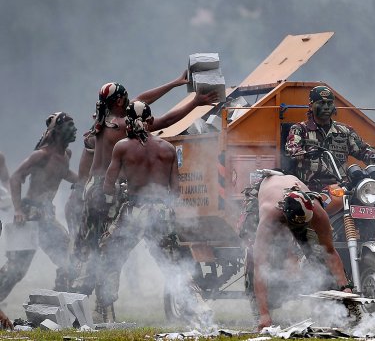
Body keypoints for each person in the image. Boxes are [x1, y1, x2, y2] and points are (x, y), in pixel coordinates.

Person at [70, 73, 218, 320]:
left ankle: (100, 308)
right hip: (123, 201)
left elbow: (140, 103)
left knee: (107, 252)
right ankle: (195, 306)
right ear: (118, 102)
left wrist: (175, 84)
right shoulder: (154, 143)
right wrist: (194, 102)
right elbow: (161, 119)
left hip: (121, 200)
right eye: (124, 96)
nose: (129, 97)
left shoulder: (111, 124)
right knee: (166, 259)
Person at [95, 101, 211, 323]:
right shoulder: (168, 148)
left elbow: (108, 186)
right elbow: (176, 191)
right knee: (176, 263)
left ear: (127, 122)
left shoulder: (122, 147)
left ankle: (106, 314)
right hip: (161, 212)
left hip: (135, 210)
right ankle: (199, 307)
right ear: (150, 121)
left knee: (109, 256)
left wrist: (120, 191)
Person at [252, 172, 352, 330]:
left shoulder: (318, 212)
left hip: (296, 199)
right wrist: (264, 315)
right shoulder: (269, 213)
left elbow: (330, 252)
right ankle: (260, 307)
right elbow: (260, 267)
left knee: (318, 255)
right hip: (270, 192)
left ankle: (328, 307)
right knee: (266, 254)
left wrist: (344, 287)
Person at [0, 112, 78, 301]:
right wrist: (18, 210)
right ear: (58, 131)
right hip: (29, 214)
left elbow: (64, 173)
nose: (74, 129)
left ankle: (63, 302)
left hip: (47, 216)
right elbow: (16, 177)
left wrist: (85, 183)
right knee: (15, 270)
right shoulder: (42, 155)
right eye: (69, 126)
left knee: (69, 260)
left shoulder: (66, 154)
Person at [285, 85, 375, 191]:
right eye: (322, 103)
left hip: (341, 189)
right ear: (310, 106)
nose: (326, 107)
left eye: (329, 103)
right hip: (309, 189)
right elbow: (292, 147)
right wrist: (301, 152)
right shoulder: (299, 129)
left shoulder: (345, 131)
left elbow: (363, 150)